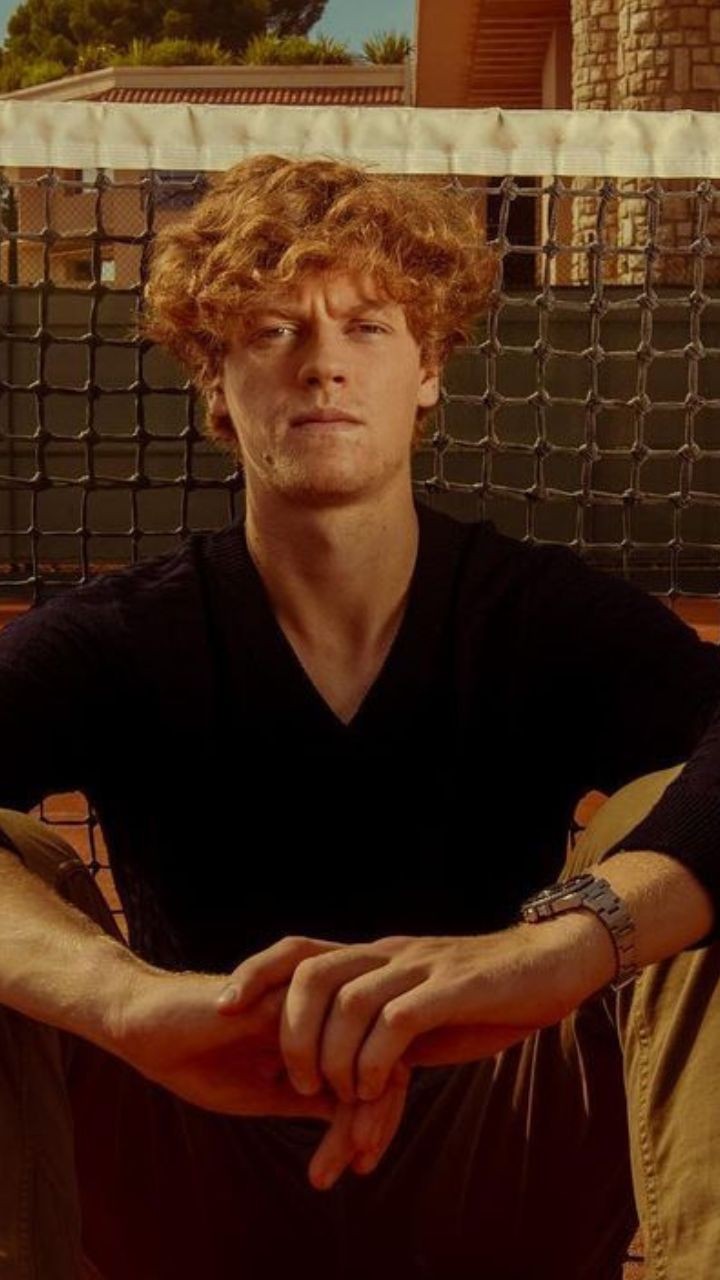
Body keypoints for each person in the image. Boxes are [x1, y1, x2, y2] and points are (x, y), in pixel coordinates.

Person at [1, 153, 720, 1280]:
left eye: (367, 327)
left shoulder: (540, 616)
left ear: (428, 368)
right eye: (274, 329)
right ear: (215, 381)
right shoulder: (122, 635)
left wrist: (569, 946)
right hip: (189, 1163)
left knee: (685, 851)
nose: (323, 361)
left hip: (502, 1158)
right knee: (15, 886)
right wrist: (125, 1000)